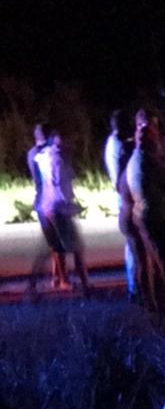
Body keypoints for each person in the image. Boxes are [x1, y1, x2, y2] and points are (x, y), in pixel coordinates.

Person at [27, 128, 90, 298]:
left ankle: (32, 286)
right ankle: (86, 288)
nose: (72, 143)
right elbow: (57, 186)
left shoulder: (44, 156)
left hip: (46, 206)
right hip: (58, 209)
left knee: (50, 248)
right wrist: (71, 206)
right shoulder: (57, 159)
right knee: (77, 248)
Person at [126, 107, 165, 313]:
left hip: (146, 217)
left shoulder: (136, 159)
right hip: (157, 217)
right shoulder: (147, 161)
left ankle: (160, 306)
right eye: (155, 135)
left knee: (155, 262)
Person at [27, 123, 69, 293]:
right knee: (59, 243)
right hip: (50, 201)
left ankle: (56, 277)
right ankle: (62, 279)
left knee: (52, 243)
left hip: (39, 201)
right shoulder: (48, 154)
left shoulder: (31, 153)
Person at [103, 109, 137, 299]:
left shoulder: (112, 142)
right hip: (125, 195)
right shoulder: (120, 146)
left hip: (122, 195)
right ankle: (134, 286)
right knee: (133, 243)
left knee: (131, 243)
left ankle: (135, 285)